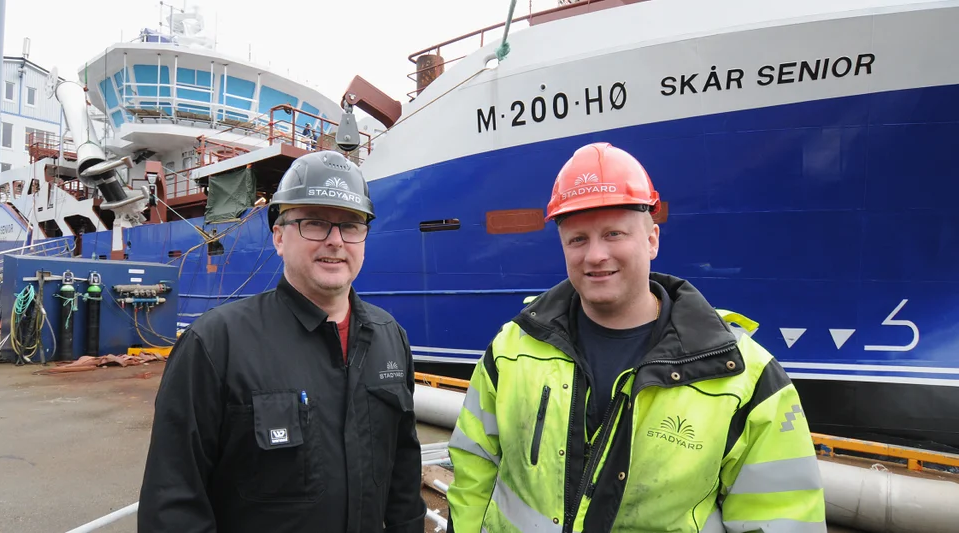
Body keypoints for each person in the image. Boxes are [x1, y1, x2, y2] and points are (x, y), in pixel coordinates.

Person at [445, 142, 826, 532]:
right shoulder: (511, 350)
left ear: (652, 240)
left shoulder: (744, 377)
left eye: (613, 234)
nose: (595, 255)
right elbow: (473, 471)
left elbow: (781, 518)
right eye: (578, 239)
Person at [137, 150, 427, 533]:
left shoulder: (391, 338)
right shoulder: (214, 346)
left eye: (352, 225)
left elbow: (403, 475)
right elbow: (173, 504)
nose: (336, 241)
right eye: (315, 223)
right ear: (278, 236)